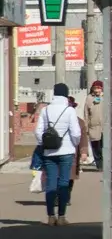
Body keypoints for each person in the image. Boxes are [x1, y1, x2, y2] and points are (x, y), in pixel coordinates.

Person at [34, 84, 82, 226]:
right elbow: (76, 133)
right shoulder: (69, 111)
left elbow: (38, 131)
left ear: (54, 94)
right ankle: (61, 217)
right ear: (66, 95)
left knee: (50, 183)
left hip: (49, 152)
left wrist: (43, 143)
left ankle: (50, 217)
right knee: (63, 183)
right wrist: (74, 144)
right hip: (66, 151)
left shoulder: (45, 110)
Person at [85, 80, 105, 170]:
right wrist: (86, 127)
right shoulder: (89, 98)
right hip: (93, 126)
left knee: (104, 147)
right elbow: (86, 113)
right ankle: (99, 165)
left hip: (105, 127)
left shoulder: (106, 97)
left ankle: (106, 165)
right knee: (96, 147)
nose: (97, 90)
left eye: (99, 88)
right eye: (95, 88)